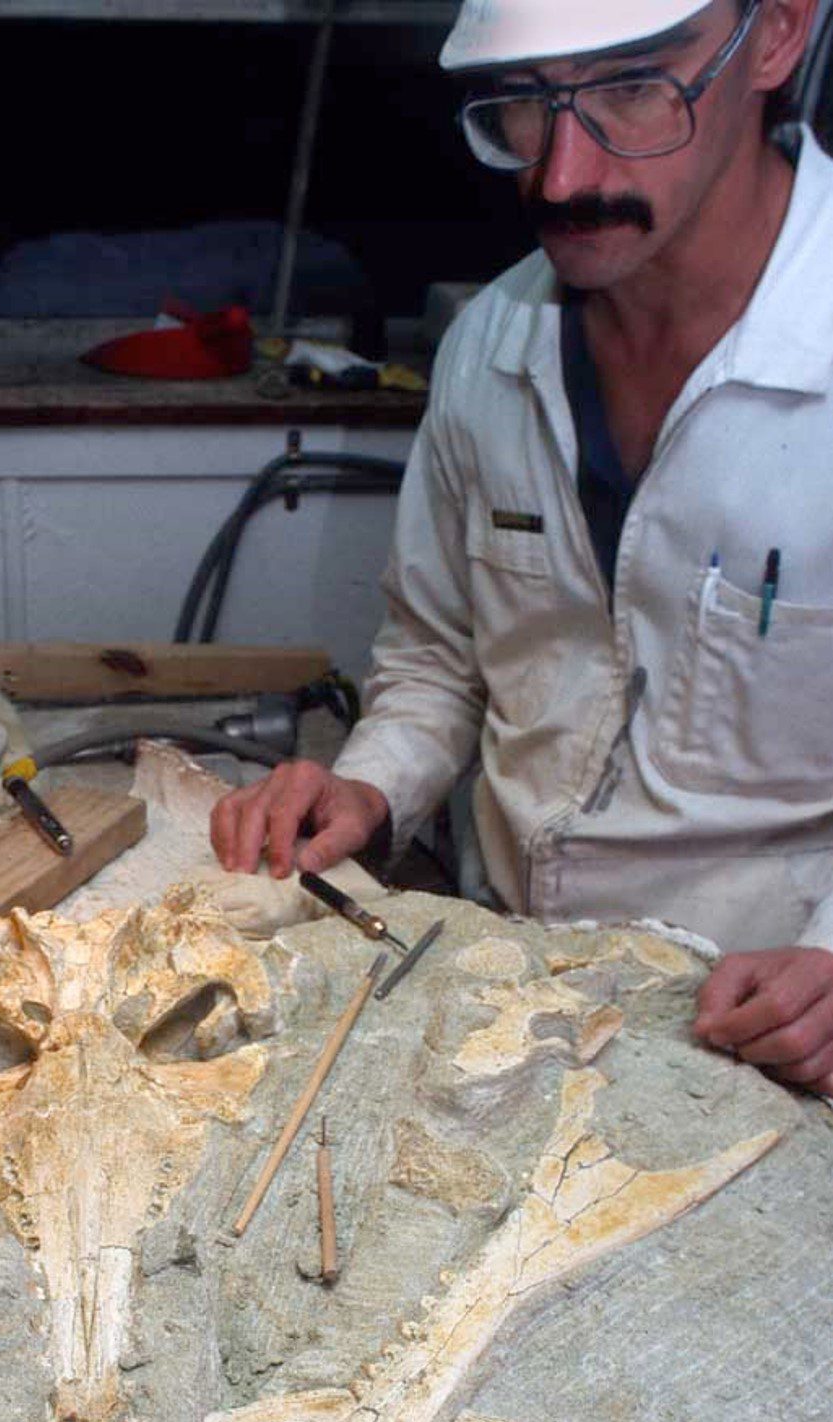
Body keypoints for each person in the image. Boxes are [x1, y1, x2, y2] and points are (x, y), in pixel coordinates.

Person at [211, 0, 833, 1094]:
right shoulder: (492, 346)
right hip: (506, 986)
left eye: (635, 87)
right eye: (527, 107)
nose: (559, 177)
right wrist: (367, 789)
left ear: (776, 37)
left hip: (760, 1022)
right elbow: (440, 661)